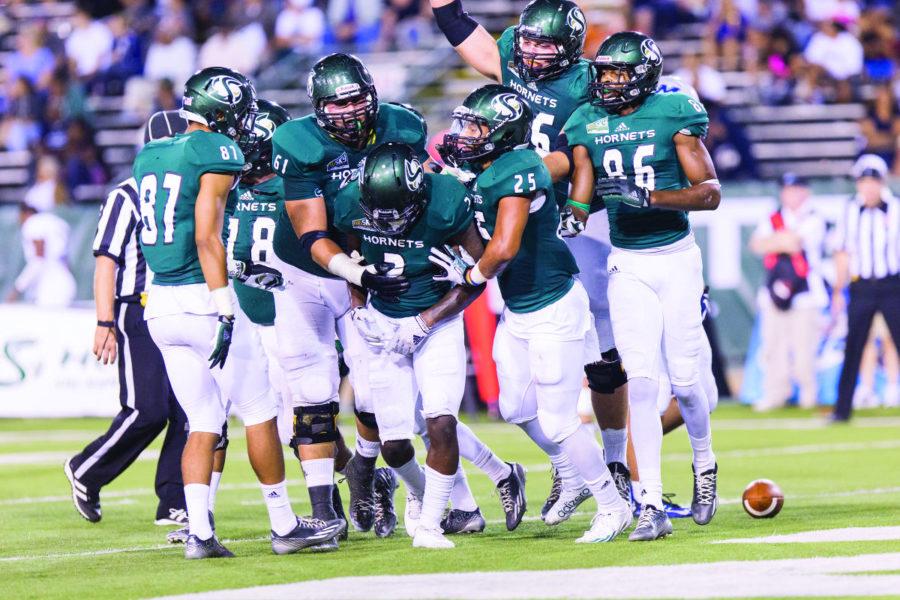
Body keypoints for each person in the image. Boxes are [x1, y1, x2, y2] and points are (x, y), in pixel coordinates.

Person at [430, 0, 632, 524]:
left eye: (547, 45)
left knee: (604, 354)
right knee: (523, 395)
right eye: (529, 43)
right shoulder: (512, 61)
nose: (535, 53)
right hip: (526, 208)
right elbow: (467, 37)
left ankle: (614, 472)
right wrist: (444, 7)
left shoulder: (589, 83)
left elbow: (587, 150)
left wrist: (521, 171)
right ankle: (576, 467)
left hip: (580, 217)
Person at [134, 66, 343, 559]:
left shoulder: (150, 152)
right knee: (259, 412)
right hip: (204, 301)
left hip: (161, 302)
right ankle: (285, 524)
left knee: (203, 420)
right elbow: (206, 235)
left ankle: (200, 535)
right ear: (220, 108)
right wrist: (224, 302)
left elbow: (182, 231)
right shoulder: (217, 149)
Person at [551, 31, 721, 540]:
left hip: (675, 259)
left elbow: (710, 193)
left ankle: (705, 462)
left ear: (644, 75)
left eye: (619, 73)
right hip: (627, 263)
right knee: (642, 385)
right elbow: (584, 187)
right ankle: (648, 502)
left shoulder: (673, 114)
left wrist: (651, 197)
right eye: (603, 73)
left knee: (688, 384)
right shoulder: (587, 121)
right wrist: (575, 216)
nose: (609, 82)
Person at [333, 142, 525, 548]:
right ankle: (448, 492)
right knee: (396, 444)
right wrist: (358, 308)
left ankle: (431, 525)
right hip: (382, 322)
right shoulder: (350, 199)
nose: (387, 224)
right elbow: (350, 256)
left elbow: (478, 275)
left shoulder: (446, 201)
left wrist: (425, 321)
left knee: (440, 421)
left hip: (437, 322)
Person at [63, 111, 190, 528]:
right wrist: (105, 321)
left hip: (181, 304)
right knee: (146, 409)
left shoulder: (194, 189)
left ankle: (174, 500)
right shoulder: (128, 194)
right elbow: (106, 261)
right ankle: (86, 469)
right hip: (138, 305)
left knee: (190, 409)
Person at [750, 174, 828, 410]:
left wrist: (775, 240)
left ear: (805, 192)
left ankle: (808, 395)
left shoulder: (814, 218)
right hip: (774, 291)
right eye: (787, 189)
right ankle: (776, 394)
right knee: (774, 346)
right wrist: (782, 240)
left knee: (804, 349)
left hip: (805, 294)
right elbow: (756, 244)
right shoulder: (773, 217)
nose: (790, 194)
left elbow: (795, 242)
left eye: (795, 189)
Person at [832, 154, 900, 422]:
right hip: (861, 286)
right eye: (864, 182)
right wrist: (839, 290)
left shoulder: (895, 208)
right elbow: (842, 252)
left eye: (873, 181)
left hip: (892, 284)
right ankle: (842, 410)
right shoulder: (849, 210)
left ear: (882, 182)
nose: (869, 187)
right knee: (853, 347)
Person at [8, 201, 76, 308]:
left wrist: (17, 288)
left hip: (51, 288)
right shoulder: (54, 221)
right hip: (65, 282)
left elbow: (39, 259)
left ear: (25, 213)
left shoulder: (33, 223)